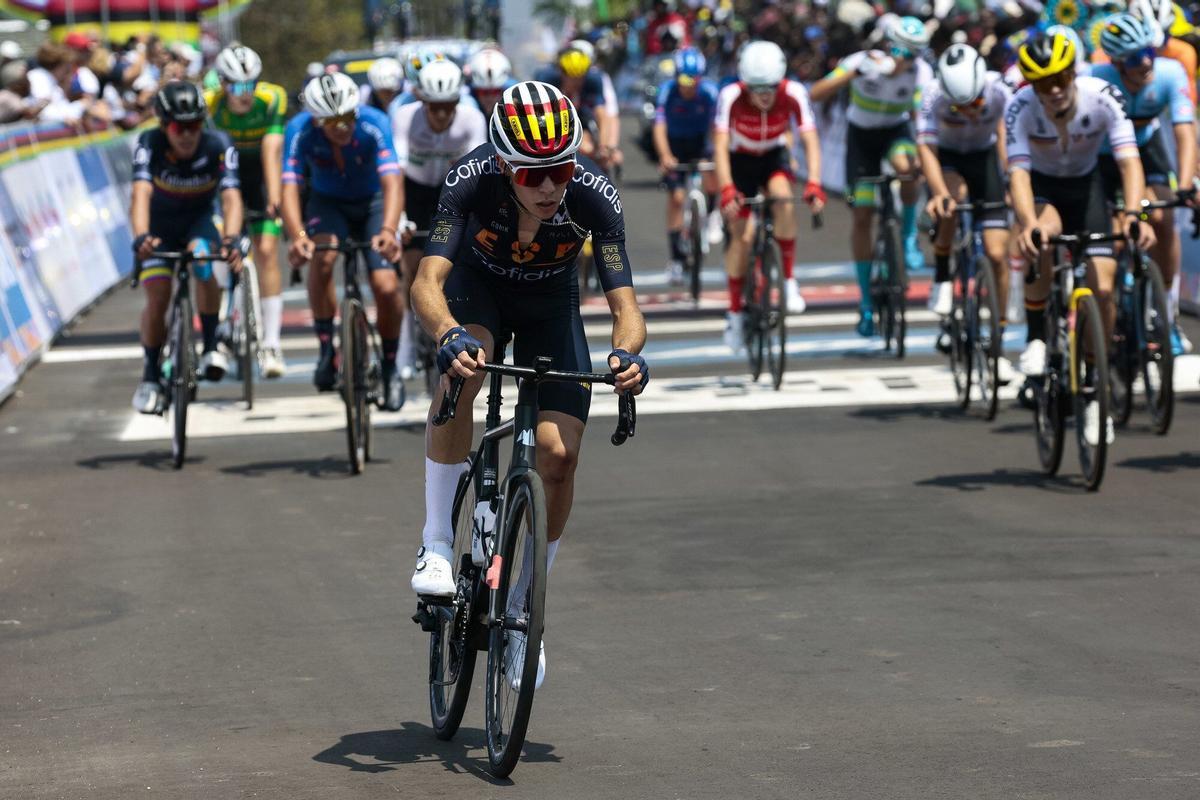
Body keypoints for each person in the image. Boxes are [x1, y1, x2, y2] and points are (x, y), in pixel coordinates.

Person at [408, 80, 649, 689]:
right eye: (532, 175)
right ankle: (436, 540)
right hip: (478, 291)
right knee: (469, 366)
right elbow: (426, 284)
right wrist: (446, 335)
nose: (549, 187)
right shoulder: (468, 180)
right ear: (501, 165)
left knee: (559, 456)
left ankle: (524, 602)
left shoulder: (594, 195)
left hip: (550, 303)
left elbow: (627, 307)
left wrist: (626, 354)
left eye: (560, 170)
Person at [1007, 32, 1155, 447]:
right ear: (1031, 85)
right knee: (1041, 236)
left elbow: (1129, 162)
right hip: (1045, 190)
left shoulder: (1103, 97)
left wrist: (1133, 214)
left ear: (1073, 72)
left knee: (1103, 286)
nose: (1053, 90)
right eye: (1042, 84)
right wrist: (1026, 223)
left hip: (1088, 187)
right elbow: (1018, 173)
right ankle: (1037, 336)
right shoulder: (1020, 108)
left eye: (1059, 79)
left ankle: (1094, 387)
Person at [281, 72, 407, 411]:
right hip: (328, 203)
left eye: (348, 118)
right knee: (321, 260)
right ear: (317, 119)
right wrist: (298, 237)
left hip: (373, 203)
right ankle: (326, 349)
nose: (343, 127)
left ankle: (392, 366)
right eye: (333, 122)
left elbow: (393, 182)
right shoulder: (299, 130)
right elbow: (289, 187)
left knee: (385, 284)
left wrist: (389, 231)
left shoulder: (374, 122)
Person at [810, 15, 933, 338]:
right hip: (861, 139)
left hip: (896, 132)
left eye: (914, 55)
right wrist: (851, 74)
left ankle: (907, 236)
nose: (907, 61)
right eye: (902, 52)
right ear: (890, 47)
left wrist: (923, 157)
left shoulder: (921, 72)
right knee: (862, 216)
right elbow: (816, 93)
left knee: (908, 169)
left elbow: (921, 119)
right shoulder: (861, 61)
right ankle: (866, 303)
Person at [130, 81, 244, 414]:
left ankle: (210, 344)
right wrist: (140, 237)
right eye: (180, 127)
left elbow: (231, 198)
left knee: (202, 260)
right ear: (165, 126)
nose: (187, 135)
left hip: (199, 222)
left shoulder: (218, 143)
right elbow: (140, 195)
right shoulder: (148, 143)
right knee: (159, 295)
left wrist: (232, 238)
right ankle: (150, 373)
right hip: (158, 227)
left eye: (194, 125)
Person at [1095, 14, 1197, 356]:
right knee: (1112, 233)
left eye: (1150, 52)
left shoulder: (1170, 72)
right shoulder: (1096, 79)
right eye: (1136, 58)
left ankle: (1167, 315)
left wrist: (1185, 186)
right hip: (1105, 157)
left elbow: (1184, 133)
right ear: (1117, 63)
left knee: (1163, 219)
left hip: (1148, 149)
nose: (1146, 63)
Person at [714, 40, 824, 350]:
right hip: (740, 162)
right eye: (756, 87)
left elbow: (810, 138)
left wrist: (814, 182)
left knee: (783, 198)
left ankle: (788, 282)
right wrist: (726, 188)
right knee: (743, 236)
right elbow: (720, 145)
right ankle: (735, 313)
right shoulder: (730, 95)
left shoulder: (795, 93)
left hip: (773, 155)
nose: (764, 95)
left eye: (770, 87)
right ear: (744, 83)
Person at [917, 43, 1017, 383]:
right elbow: (926, 149)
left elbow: (1008, 136)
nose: (970, 112)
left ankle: (998, 344)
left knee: (997, 253)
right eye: (960, 107)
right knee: (952, 199)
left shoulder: (999, 88)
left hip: (984, 157)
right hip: (946, 159)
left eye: (975, 103)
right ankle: (943, 277)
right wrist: (939, 194)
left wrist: (1010, 183)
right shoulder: (932, 94)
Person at [390, 58, 487, 378]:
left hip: (452, 190)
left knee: (454, 263)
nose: (443, 115)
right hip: (415, 190)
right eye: (435, 107)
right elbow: (397, 173)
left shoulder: (472, 118)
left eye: (449, 106)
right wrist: (400, 217)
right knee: (412, 266)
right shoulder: (405, 117)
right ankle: (406, 342)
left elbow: (477, 177)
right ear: (423, 102)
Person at [206, 43, 290, 378]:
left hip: (258, 174)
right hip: (223, 175)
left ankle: (271, 342)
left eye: (251, 85)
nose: (245, 94)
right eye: (237, 86)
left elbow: (272, 148)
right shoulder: (209, 103)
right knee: (221, 249)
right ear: (222, 84)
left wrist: (275, 197)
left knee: (267, 250)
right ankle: (228, 316)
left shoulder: (272, 98)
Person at [653, 46, 720, 284]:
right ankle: (676, 259)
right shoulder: (667, 92)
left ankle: (712, 213)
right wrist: (665, 155)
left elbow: (717, 128)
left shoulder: (710, 93)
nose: (688, 84)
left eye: (694, 79)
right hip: (675, 145)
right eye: (683, 78)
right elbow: (659, 127)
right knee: (677, 198)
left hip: (701, 142)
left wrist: (713, 154)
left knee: (713, 171)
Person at [535, 46, 618, 172]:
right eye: (571, 76)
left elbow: (602, 114)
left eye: (580, 77)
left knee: (590, 148)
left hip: (581, 116)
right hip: (553, 118)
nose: (576, 82)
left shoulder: (594, 80)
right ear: (561, 72)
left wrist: (604, 147)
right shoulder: (547, 79)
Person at [465, 46, 514, 117]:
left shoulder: (513, 91)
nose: (489, 98)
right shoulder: (467, 99)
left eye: (495, 92)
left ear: (503, 90)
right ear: (475, 91)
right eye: (483, 92)